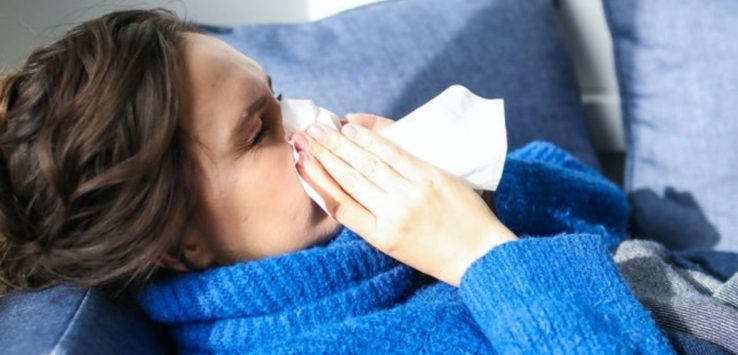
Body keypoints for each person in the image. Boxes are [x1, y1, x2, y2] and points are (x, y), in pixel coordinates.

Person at [1, 9, 735, 353]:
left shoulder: (369, 234)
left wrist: (475, 192)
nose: (309, 119)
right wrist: (481, 259)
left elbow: (610, 215)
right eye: (260, 129)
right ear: (179, 243)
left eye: (279, 93)